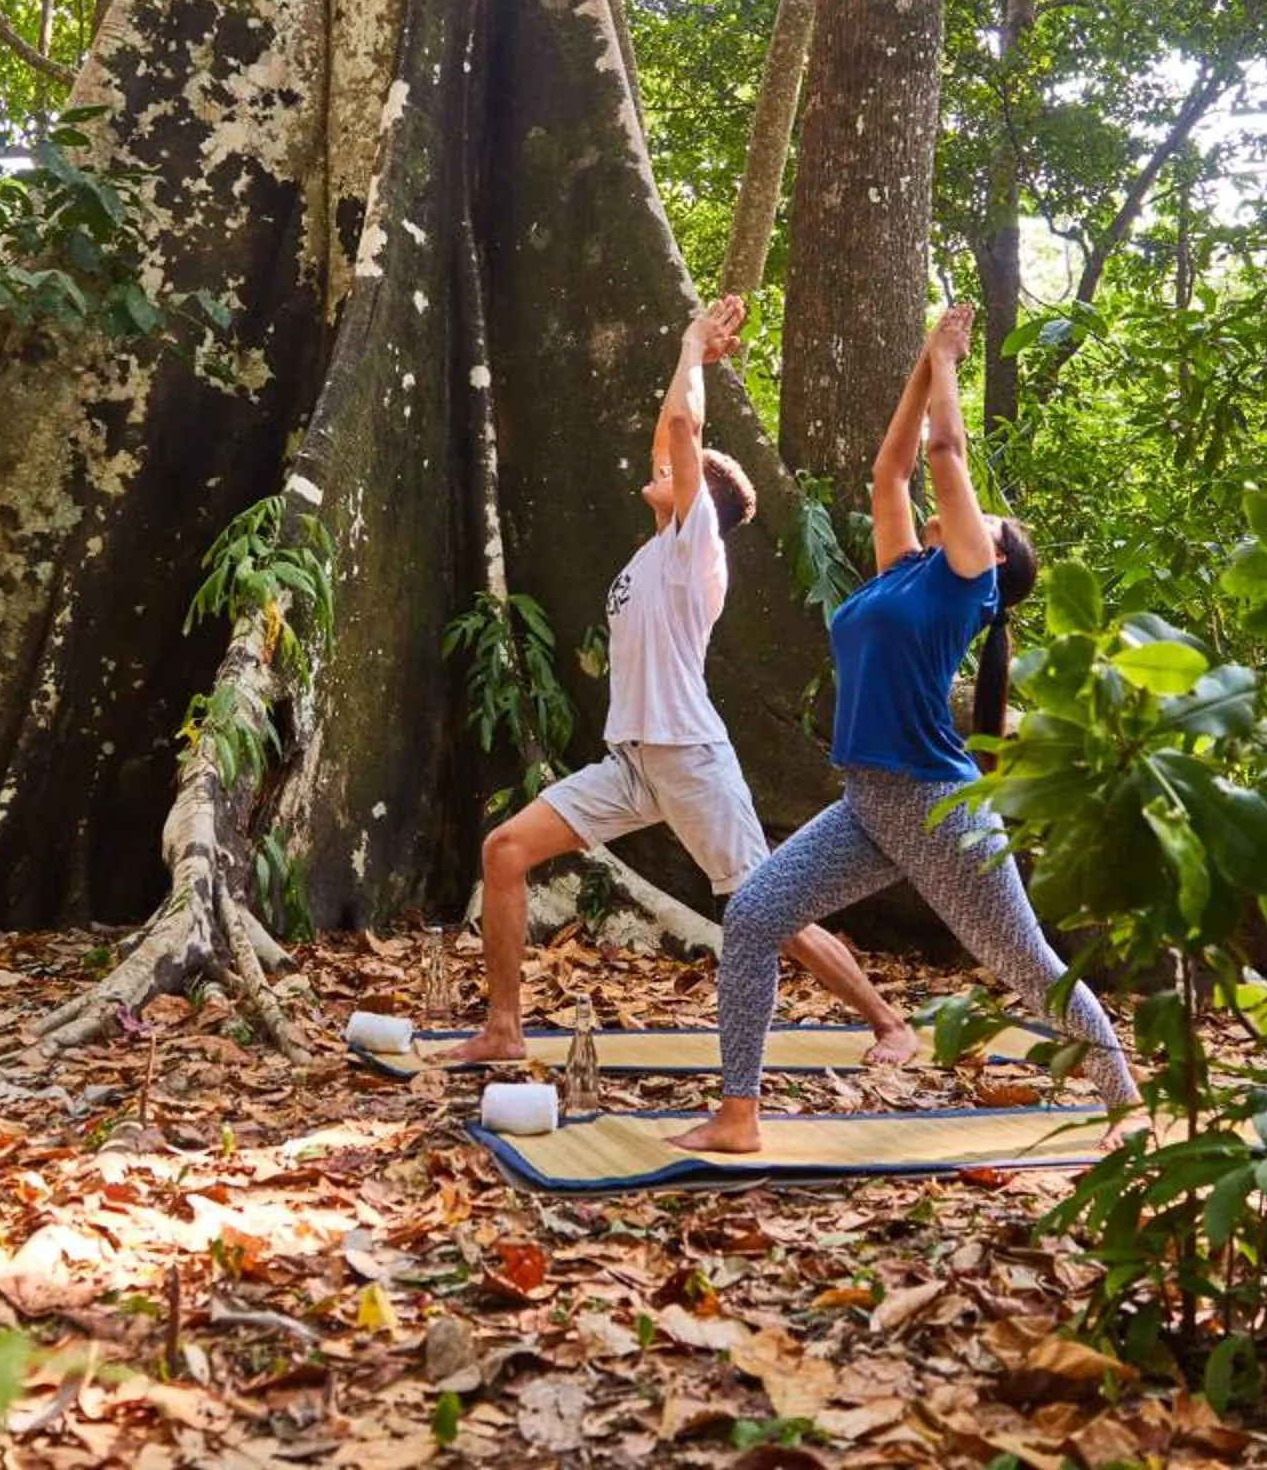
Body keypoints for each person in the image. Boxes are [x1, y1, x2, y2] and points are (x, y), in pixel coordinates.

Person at [677, 303, 1139, 1154]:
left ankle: (1127, 1106)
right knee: (752, 916)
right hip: (868, 803)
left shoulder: (968, 583)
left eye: (988, 519)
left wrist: (950, 364)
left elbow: (943, 453)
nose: (969, 509)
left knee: (1031, 970)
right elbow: (891, 474)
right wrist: (923, 365)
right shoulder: (906, 574)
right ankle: (739, 1116)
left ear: (995, 558)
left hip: (938, 812)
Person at [438, 297, 918, 1067]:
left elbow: (683, 430)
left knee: (767, 908)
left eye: (674, 470)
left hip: (690, 759)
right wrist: (688, 363)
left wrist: (693, 347)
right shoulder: (653, 552)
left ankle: (889, 1022)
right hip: (632, 762)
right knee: (504, 850)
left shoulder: (700, 552)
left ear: (702, 502)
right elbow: (671, 434)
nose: (660, 464)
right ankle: (503, 1028)